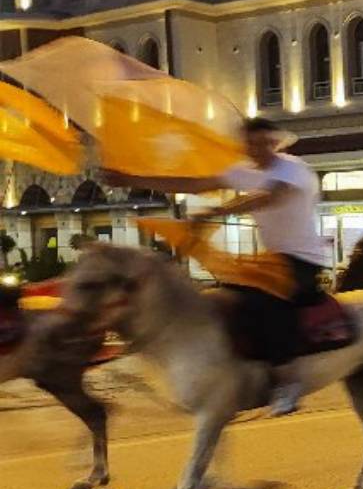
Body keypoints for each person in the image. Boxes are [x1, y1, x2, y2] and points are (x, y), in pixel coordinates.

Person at [102, 117, 330, 415]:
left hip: (303, 259)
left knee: (266, 301)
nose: (259, 149)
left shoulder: (293, 169)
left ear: (276, 142)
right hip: (271, 259)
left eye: (265, 142)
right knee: (226, 298)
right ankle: (239, 369)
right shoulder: (244, 172)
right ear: (244, 145)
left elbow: (271, 196)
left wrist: (217, 210)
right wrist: (131, 179)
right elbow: (193, 183)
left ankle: (289, 383)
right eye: (251, 143)